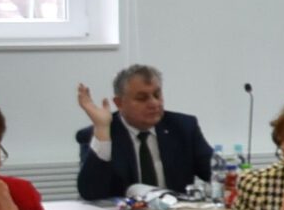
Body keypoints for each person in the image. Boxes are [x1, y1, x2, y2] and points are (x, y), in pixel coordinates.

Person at [73, 64, 213, 200]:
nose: (154, 103)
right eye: (142, 98)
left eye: (157, 95)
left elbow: (214, 173)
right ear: (119, 103)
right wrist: (102, 129)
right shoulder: (101, 133)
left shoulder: (184, 127)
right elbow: (90, 192)